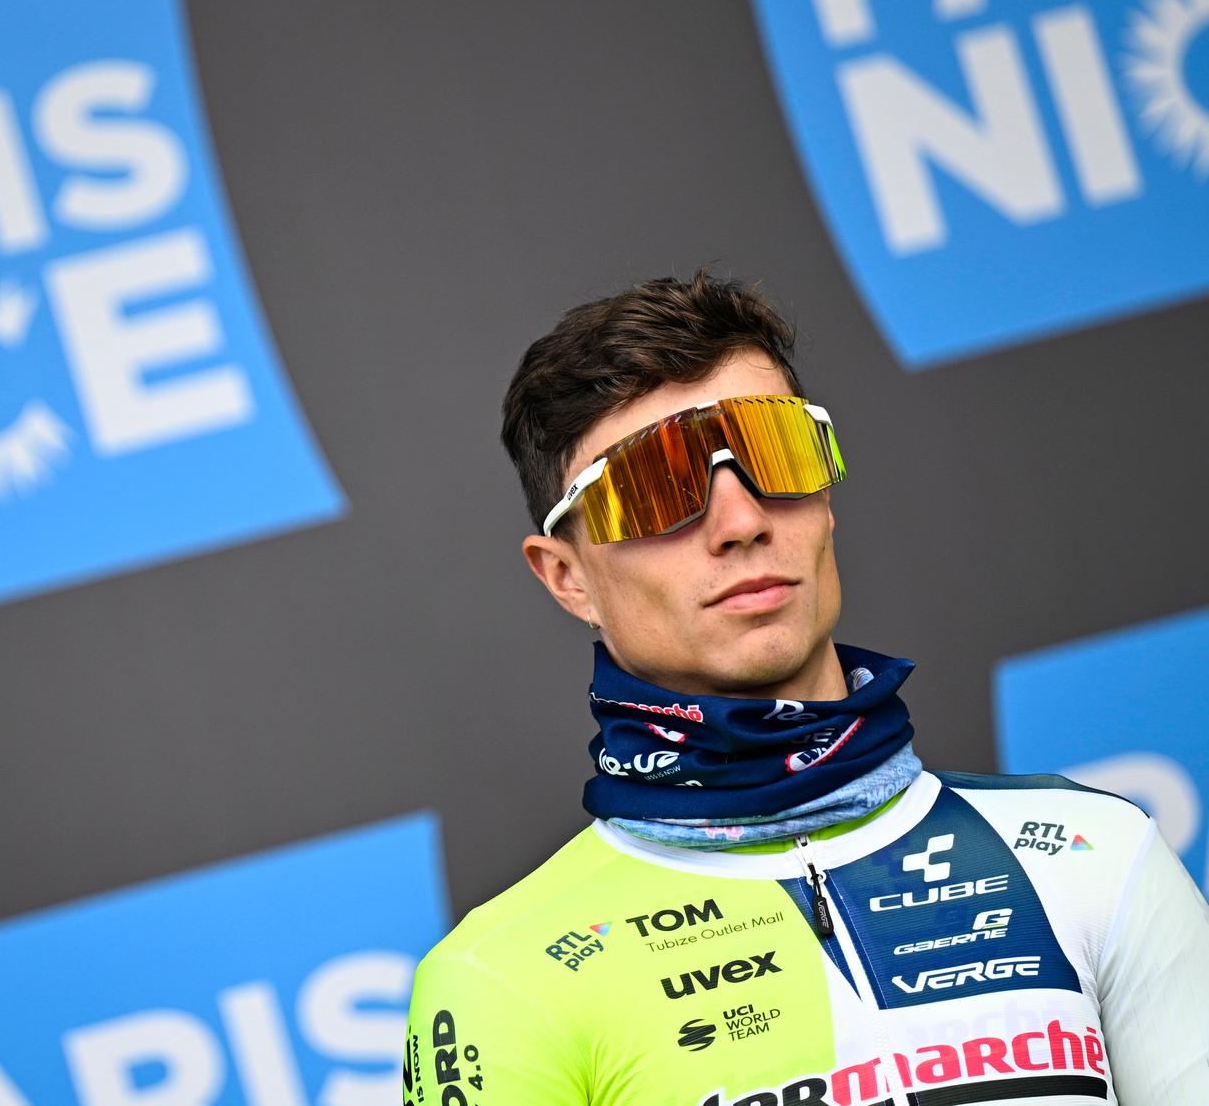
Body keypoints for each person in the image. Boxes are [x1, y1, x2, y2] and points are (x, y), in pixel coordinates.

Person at [401, 271, 1209, 1106]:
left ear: (825, 498)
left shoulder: (1094, 855)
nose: (743, 519)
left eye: (776, 452)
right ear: (568, 577)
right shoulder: (500, 981)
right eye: (654, 485)